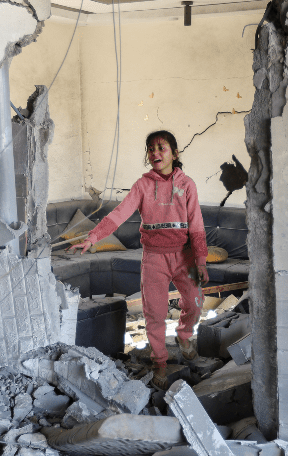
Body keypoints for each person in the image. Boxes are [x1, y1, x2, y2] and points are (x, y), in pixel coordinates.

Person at [71, 130, 209, 389]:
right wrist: (92, 237)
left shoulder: (187, 184)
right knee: (154, 313)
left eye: (162, 148)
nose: (155, 153)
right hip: (153, 259)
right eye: (151, 149)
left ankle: (184, 335)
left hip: (184, 257)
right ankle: (160, 363)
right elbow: (119, 213)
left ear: (175, 153)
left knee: (196, 302)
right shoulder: (143, 185)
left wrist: (200, 260)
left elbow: (197, 225)